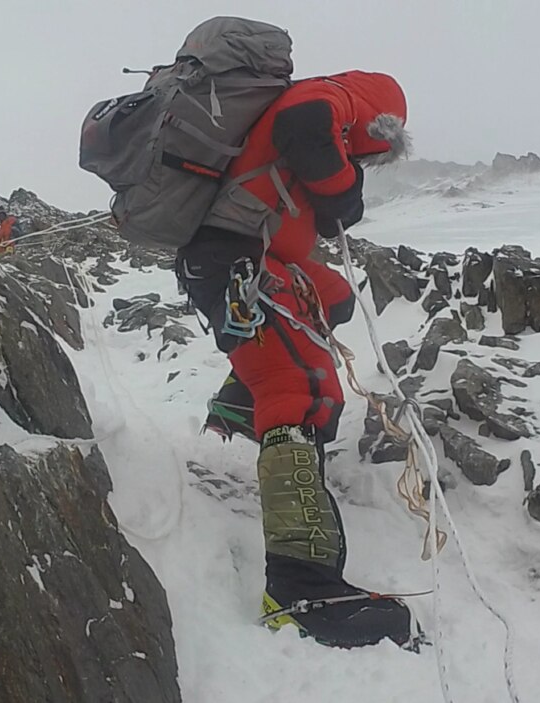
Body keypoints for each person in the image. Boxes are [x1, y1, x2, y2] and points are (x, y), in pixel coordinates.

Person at [176, 70, 417, 648]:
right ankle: (299, 591)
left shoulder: (327, 106)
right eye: (373, 147)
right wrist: (343, 191)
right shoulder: (329, 99)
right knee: (305, 386)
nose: (367, 155)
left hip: (252, 256)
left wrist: (331, 201)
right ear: (379, 118)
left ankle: (242, 401)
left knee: (331, 296)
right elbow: (303, 127)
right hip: (237, 262)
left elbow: (302, 158)